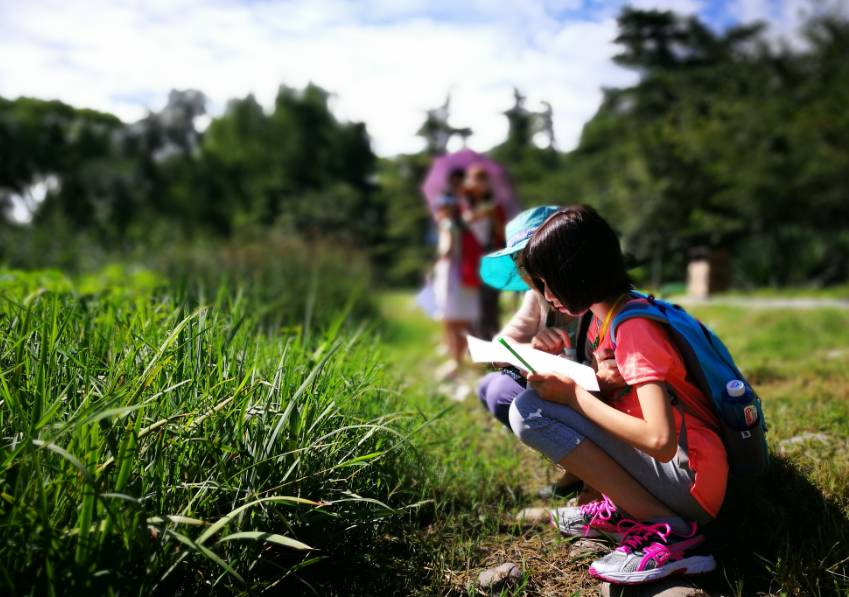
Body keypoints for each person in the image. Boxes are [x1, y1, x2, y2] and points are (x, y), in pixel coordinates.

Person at [510, 205, 727, 585]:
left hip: (690, 478)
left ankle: (672, 534)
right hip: (685, 469)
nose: (545, 295)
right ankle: (628, 509)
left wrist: (575, 396)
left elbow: (660, 440)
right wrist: (590, 381)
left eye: (548, 282)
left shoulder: (635, 329)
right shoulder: (609, 314)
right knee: (533, 401)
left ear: (575, 272)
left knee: (528, 411)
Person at [476, 205, 626, 498]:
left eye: (534, 261)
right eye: (522, 265)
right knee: (492, 388)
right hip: (566, 392)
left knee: (520, 401)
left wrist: (597, 376)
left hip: (597, 401)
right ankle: (578, 466)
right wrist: (534, 347)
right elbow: (500, 347)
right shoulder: (537, 298)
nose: (530, 276)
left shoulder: (603, 302)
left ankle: (597, 480)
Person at [432, 193, 480, 380]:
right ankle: (459, 358)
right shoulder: (465, 225)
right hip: (467, 274)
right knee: (462, 321)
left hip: (452, 275)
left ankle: (455, 361)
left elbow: (446, 250)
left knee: (451, 320)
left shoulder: (447, 225)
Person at [462, 164, 505, 340]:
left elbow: (501, 234)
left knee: (489, 304)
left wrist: (492, 216)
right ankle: (473, 345)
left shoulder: (495, 207)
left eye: (482, 179)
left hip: (490, 258)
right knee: (470, 305)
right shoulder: (463, 207)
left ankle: (490, 344)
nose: (479, 183)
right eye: (474, 178)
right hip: (469, 261)